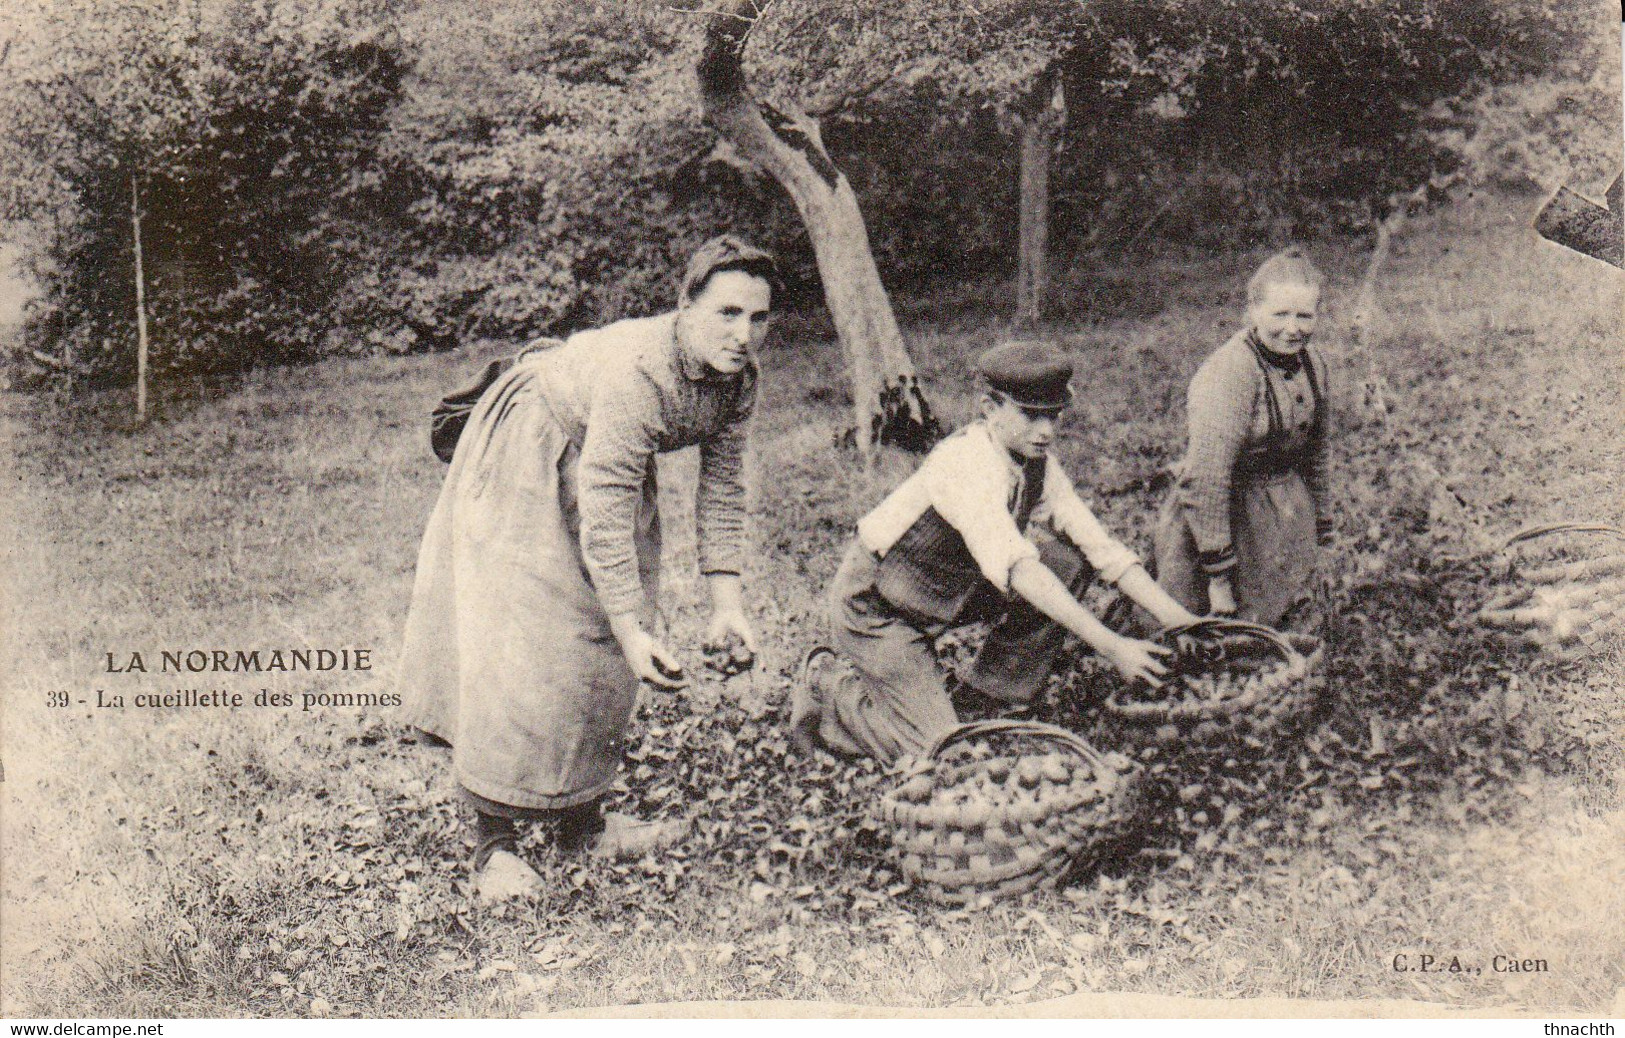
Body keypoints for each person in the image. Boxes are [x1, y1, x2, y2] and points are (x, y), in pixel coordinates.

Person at [397, 236, 777, 901]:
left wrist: (727, 608)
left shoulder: (739, 379)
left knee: (605, 632)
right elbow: (604, 508)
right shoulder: (640, 372)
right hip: (530, 442)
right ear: (684, 306)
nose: (743, 334)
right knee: (526, 636)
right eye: (726, 313)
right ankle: (495, 844)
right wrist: (634, 632)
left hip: (603, 462)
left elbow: (723, 488)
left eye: (758, 318)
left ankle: (583, 824)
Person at [793, 339, 1203, 765]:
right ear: (989, 408)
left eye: (1054, 416)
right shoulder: (963, 463)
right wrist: (1112, 645)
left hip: (945, 591)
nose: (1046, 431)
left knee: (1067, 564)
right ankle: (829, 689)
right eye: (1030, 416)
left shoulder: (1035, 462)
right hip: (878, 610)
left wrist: (1178, 619)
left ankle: (992, 696)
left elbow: (1102, 549)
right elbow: (1019, 569)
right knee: (942, 756)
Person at [1153, 245, 1333, 626]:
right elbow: (1207, 478)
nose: (1293, 328)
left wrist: (1322, 528)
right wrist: (1218, 579)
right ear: (1252, 311)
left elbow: (1316, 454)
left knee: (1292, 626)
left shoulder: (1313, 363)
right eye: (1280, 314)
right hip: (1223, 522)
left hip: (1284, 511)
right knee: (1206, 637)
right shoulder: (1230, 373)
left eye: (1305, 315)